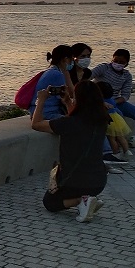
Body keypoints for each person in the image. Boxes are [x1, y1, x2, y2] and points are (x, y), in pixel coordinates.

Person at [32, 80, 110, 222]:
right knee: (82, 188)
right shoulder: (102, 120)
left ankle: (81, 201)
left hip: (74, 182)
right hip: (99, 182)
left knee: (50, 203)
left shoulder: (67, 123)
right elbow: (79, 120)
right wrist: (67, 102)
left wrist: (41, 100)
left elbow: (36, 124)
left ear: (78, 98)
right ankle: (89, 200)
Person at [91, 49, 135, 157]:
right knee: (118, 116)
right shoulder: (103, 68)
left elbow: (125, 95)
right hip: (100, 100)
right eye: (116, 60)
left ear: (126, 63)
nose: (117, 64)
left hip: (115, 100)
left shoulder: (127, 76)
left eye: (121, 62)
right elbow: (88, 77)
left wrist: (114, 102)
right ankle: (115, 147)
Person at [29, 45, 76, 121]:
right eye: (72, 59)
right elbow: (64, 98)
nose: (73, 62)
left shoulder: (51, 71)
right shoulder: (57, 74)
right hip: (48, 113)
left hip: (40, 111)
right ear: (66, 59)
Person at [96, 81, 133, 159]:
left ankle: (116, 153)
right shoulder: (112, 100)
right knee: (120, 137)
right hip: (117, 119)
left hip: (109, 120)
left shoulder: (102, 102)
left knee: (111, 138)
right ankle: (127, 151)